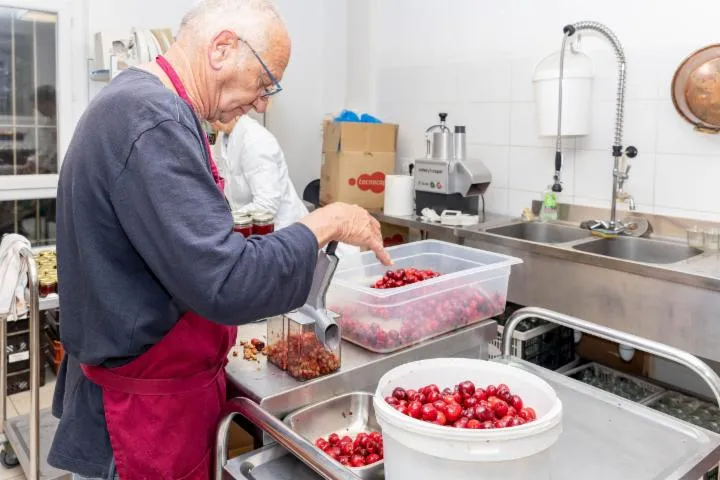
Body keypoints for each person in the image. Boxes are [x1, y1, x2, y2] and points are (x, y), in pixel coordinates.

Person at [48, 1, 390, 479]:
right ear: (222, 49)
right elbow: (228, 281)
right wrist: (325, 223)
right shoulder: (153, 120)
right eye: (265, 82)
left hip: (153, 393)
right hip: (144, 416)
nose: (264, 102)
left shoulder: (138, 103)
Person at [212, 115, 361, 256]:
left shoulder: (255, 140)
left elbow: (266, 205)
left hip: (282, 230)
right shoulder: (222, 138)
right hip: (253, 236)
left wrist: (224, 221)